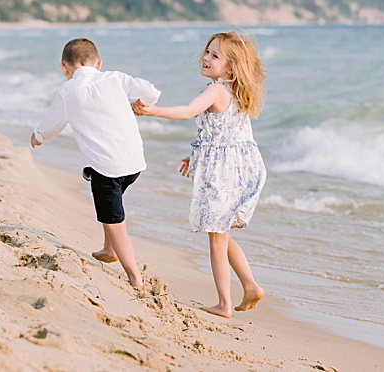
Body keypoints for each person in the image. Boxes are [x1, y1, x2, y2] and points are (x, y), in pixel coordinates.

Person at [132, 30, 268, 318]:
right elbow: (225, 135)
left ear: (231, 67)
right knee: (221, 232)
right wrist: (196, 154)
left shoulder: (217, 90)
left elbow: (187, 111)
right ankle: (250, 285)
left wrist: (153, 111)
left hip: (222, 173)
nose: (206, 57)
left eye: (215, 55)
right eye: (207, 51)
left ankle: (224, 303)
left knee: (216, 238)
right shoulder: (237, 92)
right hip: (240, 167)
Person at [31, 38, 160, 289]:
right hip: (134, 162)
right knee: (112, 202)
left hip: (106, 168)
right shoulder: (115, 78)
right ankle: (108, 249)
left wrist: (37, 137)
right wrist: (140, 104)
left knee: (114, 219)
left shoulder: (67, 91)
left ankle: (134, 277)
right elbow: (151, 91)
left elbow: (51, 123)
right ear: (98, 64)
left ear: (64, 68)